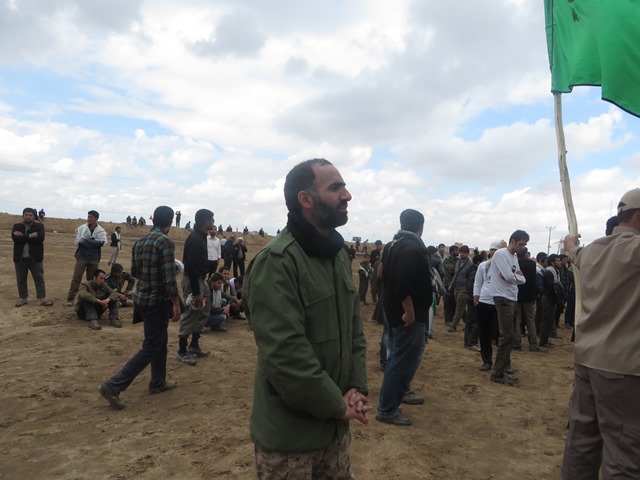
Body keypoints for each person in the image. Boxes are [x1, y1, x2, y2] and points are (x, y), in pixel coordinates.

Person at [244, 158, 369, 478]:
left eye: (344, 187)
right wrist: (336, 404)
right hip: (291, 441)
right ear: (306, 199)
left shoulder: (337, 256)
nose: (347, 195)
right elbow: (285, 354)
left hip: (335, 431)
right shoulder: (277, 262)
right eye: (335, 188)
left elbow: (354, 334)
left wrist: (355, 387)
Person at [561, 188, 640, 478]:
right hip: (623, 368)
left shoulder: (594, 250)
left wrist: (570, 243)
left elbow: (574, 253)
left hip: (587, 359)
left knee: (581, 441)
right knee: (623, 453)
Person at [98, 206, 181, 409]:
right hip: (156, 301)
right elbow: (170, 279)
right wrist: (176, 304)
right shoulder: (165, 242)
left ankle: (158, 381)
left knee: (160, 340)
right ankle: (114, 385)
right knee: (151, 346)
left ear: (153, 220)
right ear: (170, 222)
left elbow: (135, 272)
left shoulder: (140, 241)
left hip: (142, 299)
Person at [376, 209, 432, 426]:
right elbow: (404, 284)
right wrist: (409, 311)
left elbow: (381, 275)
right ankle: (387, 409)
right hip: (408, 316)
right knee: (401, 362)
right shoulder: (412, 248)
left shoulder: (393, 245)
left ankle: (391, 402)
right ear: (421, 227)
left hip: (394, 311)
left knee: (396, 359)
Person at [487, 230, 528, 386]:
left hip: (512, 297)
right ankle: (497, 372)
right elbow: (511, 277)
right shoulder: (500, 254)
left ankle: (502, 369)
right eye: (521, 244)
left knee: (509, 335)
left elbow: (520, 279)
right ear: (513, 241)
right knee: (507, 336)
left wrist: (515, 277)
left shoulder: (514, 257)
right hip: (502, 297)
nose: (522, 247)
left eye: (525, 245)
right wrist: (516, 277)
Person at [176, 208, 215, 366]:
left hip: (200, 280)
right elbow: (191, 268)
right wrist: (197, 292)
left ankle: (194, 345)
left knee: (204, 311)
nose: (213, 222)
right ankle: (182, 350)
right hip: (193, 281)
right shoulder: (195, 239)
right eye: (212, 220)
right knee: (192, 312)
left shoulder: (202, 236)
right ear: (206, 221)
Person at [12, 207, 53, 307]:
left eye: (30, 215)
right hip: (20, 258)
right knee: (21, 279)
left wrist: (23, 236)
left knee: (39, 279)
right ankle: (23, 298)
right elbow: (16, 239)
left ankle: (42, 298)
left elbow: (40, 239)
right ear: (23, 216)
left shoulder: (39, 226)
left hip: (35, 258)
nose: (28, 217)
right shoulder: (16, 226)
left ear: (34, 216)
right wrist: (30, 236)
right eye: (26, 215)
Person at [65, 210, 108, 306]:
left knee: (92, 280)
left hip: (94, 258)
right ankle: (70, 298)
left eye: (91, 217)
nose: (88, 219)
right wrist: (93, 242)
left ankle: (90, 299)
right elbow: (79, 242)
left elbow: (101, 243)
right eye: (88, 216)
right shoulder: (82, 228)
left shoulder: (101, 231)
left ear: (96, 219)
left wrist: (87, 241)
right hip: (82, 256)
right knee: (76, 278)